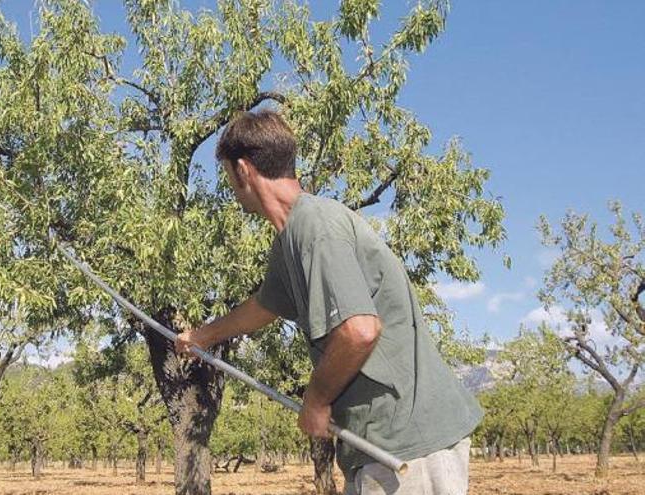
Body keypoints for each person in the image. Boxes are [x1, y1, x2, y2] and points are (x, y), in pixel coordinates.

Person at [175, 109, 482, 495]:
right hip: (380, 442)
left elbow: (359, 331)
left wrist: (316, 401)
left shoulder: (315, 227)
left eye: (228, 176)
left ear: (243, 170)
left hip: (407, 443)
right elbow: (263, 307)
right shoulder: (291, 240)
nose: (231, 188)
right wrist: (201, 336)